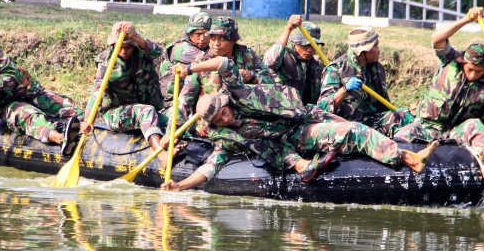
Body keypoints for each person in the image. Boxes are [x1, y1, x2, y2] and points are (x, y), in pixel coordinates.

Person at [160, 57, 438, 192]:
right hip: (297, 134)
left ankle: (392, 148)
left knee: (346, 123)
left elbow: (223, 63)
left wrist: (192, 68)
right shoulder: (228, 137)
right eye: (218, 119)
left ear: (226, 104)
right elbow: (210, 167)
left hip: (304, 112)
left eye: (223, 112)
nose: (224, 118)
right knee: (354, 132)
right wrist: (180, 186)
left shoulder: (238, 92)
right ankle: (407, 158)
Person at [392, 7, 484, 180]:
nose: (473, 75)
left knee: (475, 125)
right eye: (470, 69)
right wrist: (466, 19)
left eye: (478, 71)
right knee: (401, 137)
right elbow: (437, 39)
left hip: (456, 133)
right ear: (463, 62)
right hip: (428, 126)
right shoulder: (451, 60)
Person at [83, 22, 175, 166]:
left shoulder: (143, 54)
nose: (124, 51)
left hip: (148, 109)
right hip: (116, 113)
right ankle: (161, 154)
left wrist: (135, 37)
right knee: (146, 111)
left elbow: (159, 51)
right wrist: (88, 120)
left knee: (175, 115)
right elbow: (97, 93)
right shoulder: (106, 63)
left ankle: (175, 144)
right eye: (121, 47)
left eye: (129, 47)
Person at [174, 16, 274, 123]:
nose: (216, 44)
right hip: (216, 122)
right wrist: (172, 130)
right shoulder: (200, 64)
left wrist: (253, 77)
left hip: (248, 116)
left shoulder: (248, 55)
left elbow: (271, 82)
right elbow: (184, 100)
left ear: (233, 40)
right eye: (212, 39)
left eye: (222, 39)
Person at [317, 26, 412, 135]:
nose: (379, 50)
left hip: (370, 122)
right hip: (346, 128)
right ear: (363, 52)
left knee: (404, 115)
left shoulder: (377, 68)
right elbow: (322, 109)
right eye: (375, 46)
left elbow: (383, 105)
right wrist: (344, 90)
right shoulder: (335, 69)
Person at [263, 15, 325, 105]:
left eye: (314, 45)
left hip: (308, 112)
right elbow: (271, 62)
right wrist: (288, 29)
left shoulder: (317, 66)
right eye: (306, 45)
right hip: (282, 110)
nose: (310, 49)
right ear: (296, 42)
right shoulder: (284, 57)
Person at [158, 11, 212, 106]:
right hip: (171, 100)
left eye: (206, 34)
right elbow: (209, 61)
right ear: (190, 34)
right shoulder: (181, 48)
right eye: (198, 34)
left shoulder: (206, 48)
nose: (202, 38)